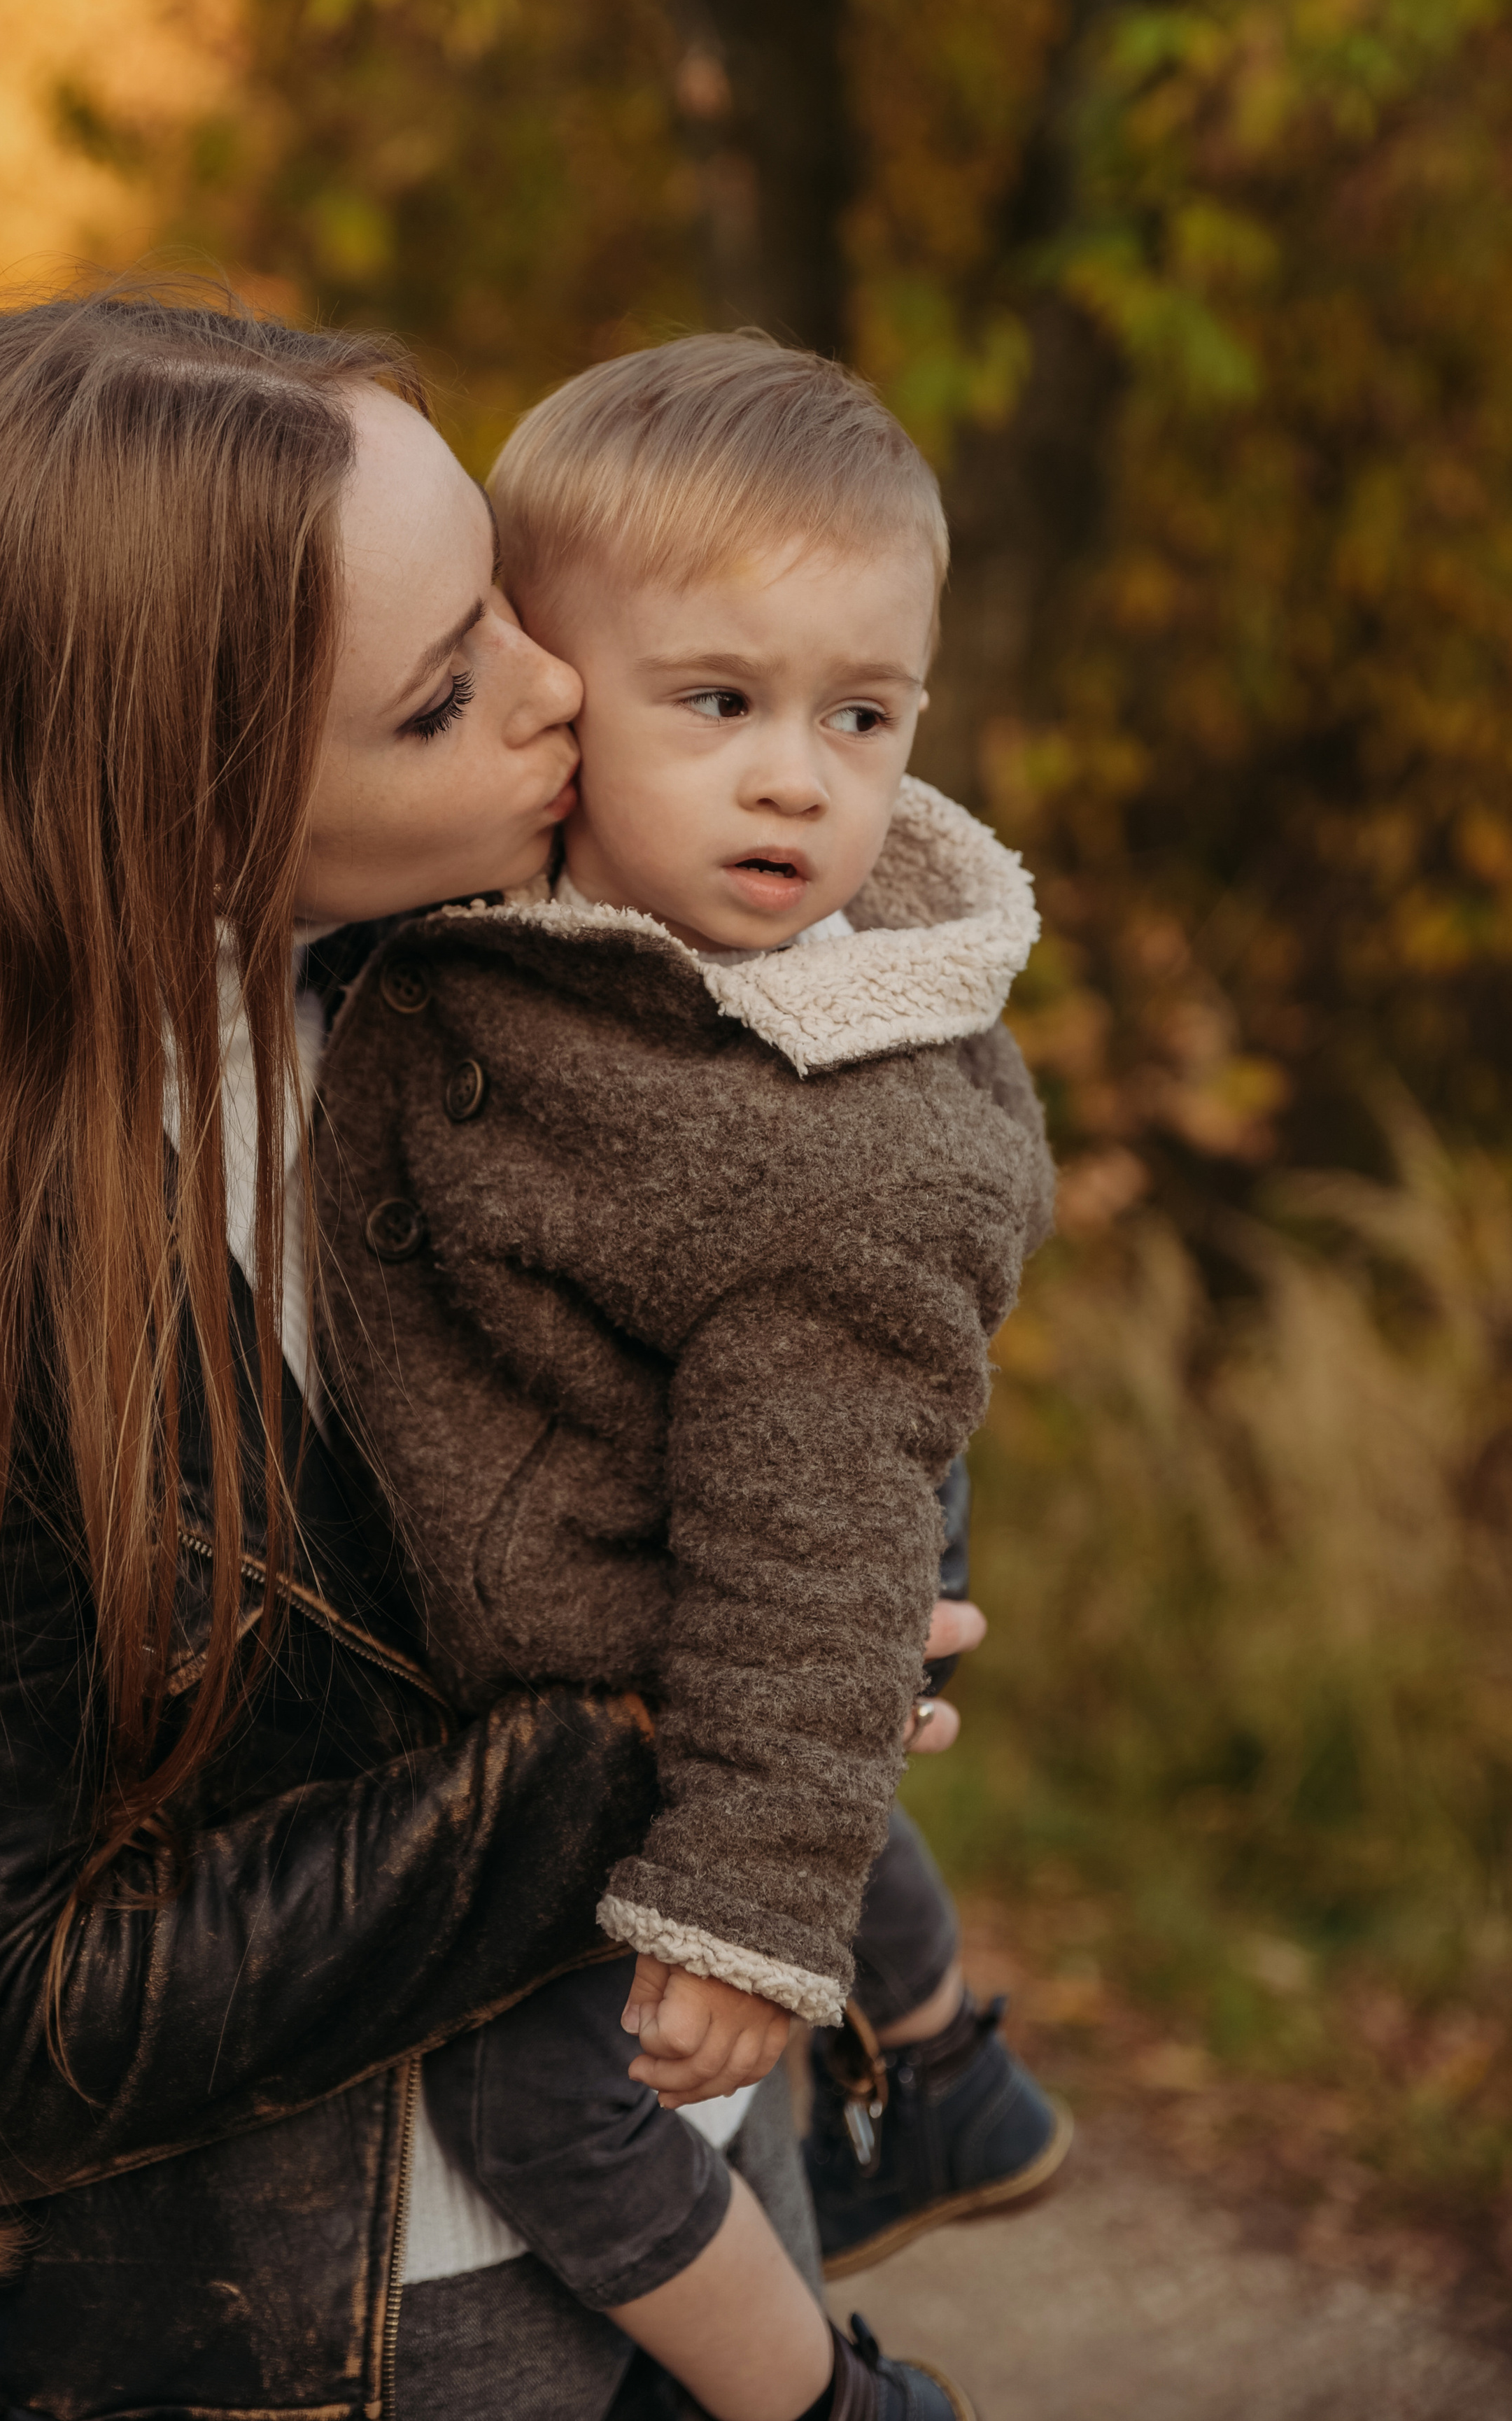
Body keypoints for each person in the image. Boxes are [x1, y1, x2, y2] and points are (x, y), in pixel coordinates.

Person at [0, 291, 960, 2421]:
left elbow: (822, 1336)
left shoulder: (489, 981)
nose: (562, 684)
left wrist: (829, 1612)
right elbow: (14, 2032)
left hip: (683, 2158)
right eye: (440, 693)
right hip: (360, 2330)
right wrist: (646, 1740)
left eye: (495, 592)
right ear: (178, 820)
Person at [314, 334, 1067, 2421]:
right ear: (544, 687)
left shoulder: (820, 1120)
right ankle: (944, 2071)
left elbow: (810, 1557)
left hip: (669, 1658)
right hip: (655, 1579)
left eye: (864, 716)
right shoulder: (563, 917)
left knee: (546, 2102)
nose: (798, 778)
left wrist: (744, 1919)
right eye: (719, 703)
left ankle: (820, 2398)